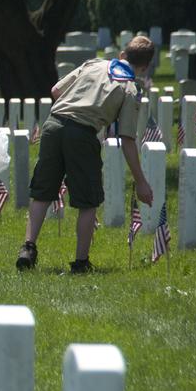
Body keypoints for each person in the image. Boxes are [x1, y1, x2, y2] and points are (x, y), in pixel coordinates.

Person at [16, 36, 155, 273]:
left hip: (53, 124)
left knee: (42, 192)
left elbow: (56, 90)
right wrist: (140, 181)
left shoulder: (93, 64)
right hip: (82, 133)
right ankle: (81, 262)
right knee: (88, 201)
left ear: (123, 55)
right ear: (144, 67)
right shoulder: (130, 89)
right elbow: (128, 139)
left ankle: (28, 248)